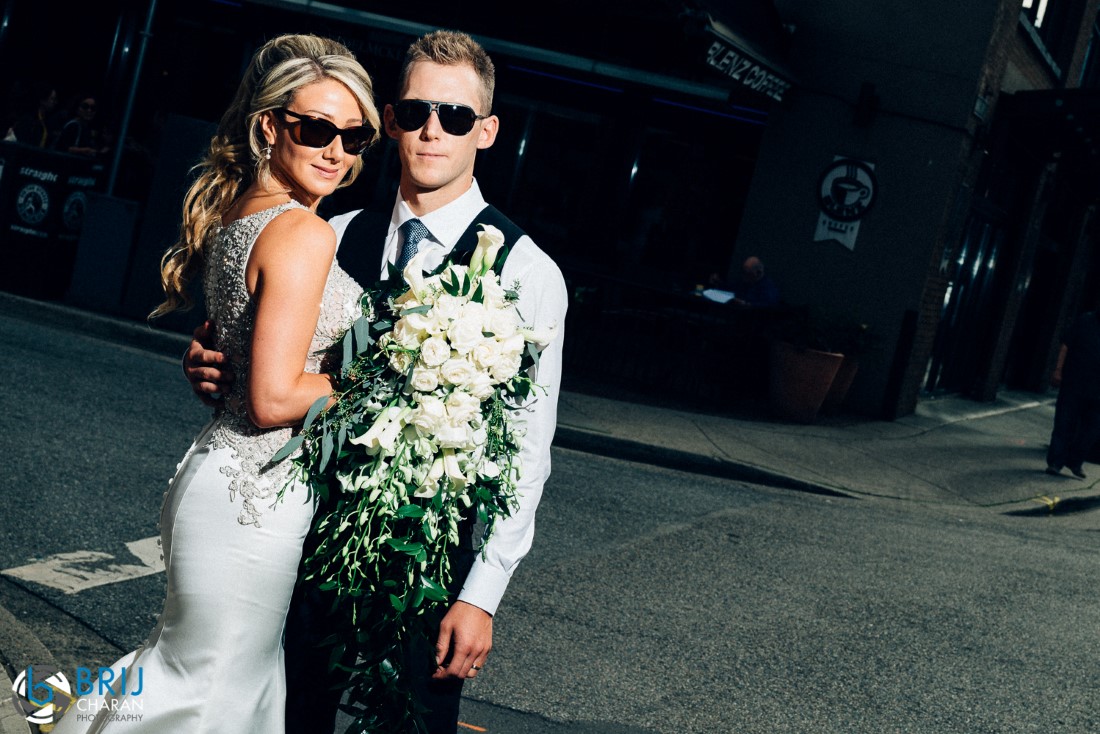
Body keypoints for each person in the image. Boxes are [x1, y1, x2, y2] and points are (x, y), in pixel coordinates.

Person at [184, 29, 568, 733]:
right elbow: (273, 357)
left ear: (485, 131)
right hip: (303, 535)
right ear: (389, 122)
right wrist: (215, 362)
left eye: (454, 117)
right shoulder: (333, 229)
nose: (431, 131)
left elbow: (526, 449)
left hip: (427, 563)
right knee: (289, 718)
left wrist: (482, 593)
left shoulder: (527, 271)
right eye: (415, 111)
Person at [53, 33, 380, 733]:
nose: (336, 152)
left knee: (189, 677)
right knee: (206, 694)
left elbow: (241, 358)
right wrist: (388, 388)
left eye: (352, 139)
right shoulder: (302, 231)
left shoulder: (244, 212)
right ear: (270, 125)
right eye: (317, 129)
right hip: (250, 497)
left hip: (224, 479)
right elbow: (270, 398)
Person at [1045, 310, 1100, 479]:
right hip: (1074, 382)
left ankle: (1074, 461)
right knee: (1064, 422)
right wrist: (1058, 370)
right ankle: (1056, 462)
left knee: (1092, 429)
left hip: (1098, 390)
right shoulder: (1085, 320)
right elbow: (1066, 345)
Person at [5, 80, 57, 146]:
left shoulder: (46, 120)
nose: (55, 103)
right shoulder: (29, 120)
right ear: (43, 101)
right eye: (52, 99)